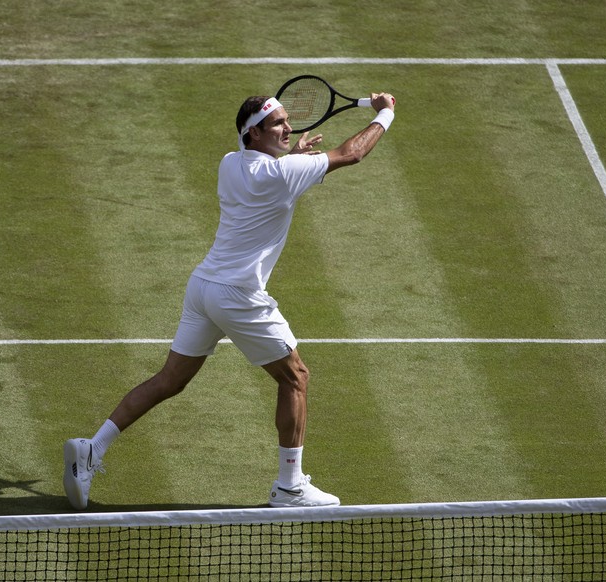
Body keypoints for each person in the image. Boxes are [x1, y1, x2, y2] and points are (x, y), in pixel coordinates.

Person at [63, 89, 396, 510]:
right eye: (278, 124)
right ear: (253, 135)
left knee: (171, 380)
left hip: (204, 287)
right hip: (238, 295)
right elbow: (352, 153)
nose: (289, 128)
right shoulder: (283, 172)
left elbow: (271, 170)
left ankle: (91, 449)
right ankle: (289, 486)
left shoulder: (230, 163)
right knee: (295, 377)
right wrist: (384, 115)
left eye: (287, 121)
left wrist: (290, 154)